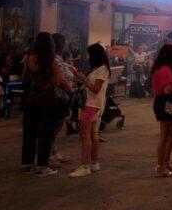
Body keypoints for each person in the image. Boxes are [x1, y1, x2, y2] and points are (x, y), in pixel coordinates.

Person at [21, 32, 72, 177]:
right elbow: (56, 83)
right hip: (48, 98)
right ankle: (42, 165)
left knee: (29, 131)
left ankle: (28, 163)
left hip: (32, 97)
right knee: (46, 132)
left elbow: (24, 78)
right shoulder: (53, 62)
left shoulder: (30, 60)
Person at [68, 44, 110, 178]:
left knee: (84, 135)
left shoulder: (102, 69)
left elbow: (96, 88)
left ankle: (85, 165)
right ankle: (94, 162)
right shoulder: (98, 68)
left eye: (90, 54)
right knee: (92, 134)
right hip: (92, 103)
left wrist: (82, 78)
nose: (88, 57)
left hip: (91, 103)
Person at [151, 44, 172, 177]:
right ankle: (160, 165)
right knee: (165, 135)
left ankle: (166, 161)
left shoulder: (161, 68)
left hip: (167, 103)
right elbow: (167, 90)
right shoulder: (166, 70)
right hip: (166, 102)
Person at [50, 33, 73, 165]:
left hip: (62, 97)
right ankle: (50, 154)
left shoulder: (58, 59)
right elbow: (61, 80)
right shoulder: (55, 60)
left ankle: (54, 152)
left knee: (57, 127)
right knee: (54, 127)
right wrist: (71, 92)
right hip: (58, 97)